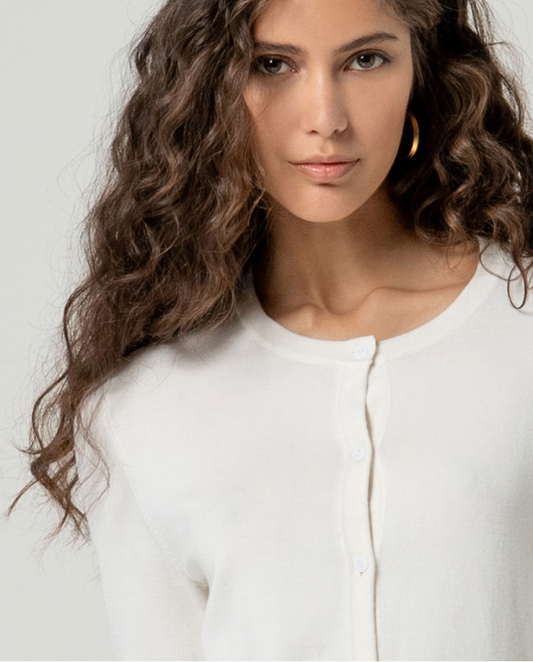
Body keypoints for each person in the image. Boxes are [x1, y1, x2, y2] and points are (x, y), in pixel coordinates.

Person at [7, 0, 533, 659]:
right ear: (210, 87)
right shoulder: (143, 403)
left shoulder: (518, 325)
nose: (326, 119)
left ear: (421, 70)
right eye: (272, 65)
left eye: (365, 60)